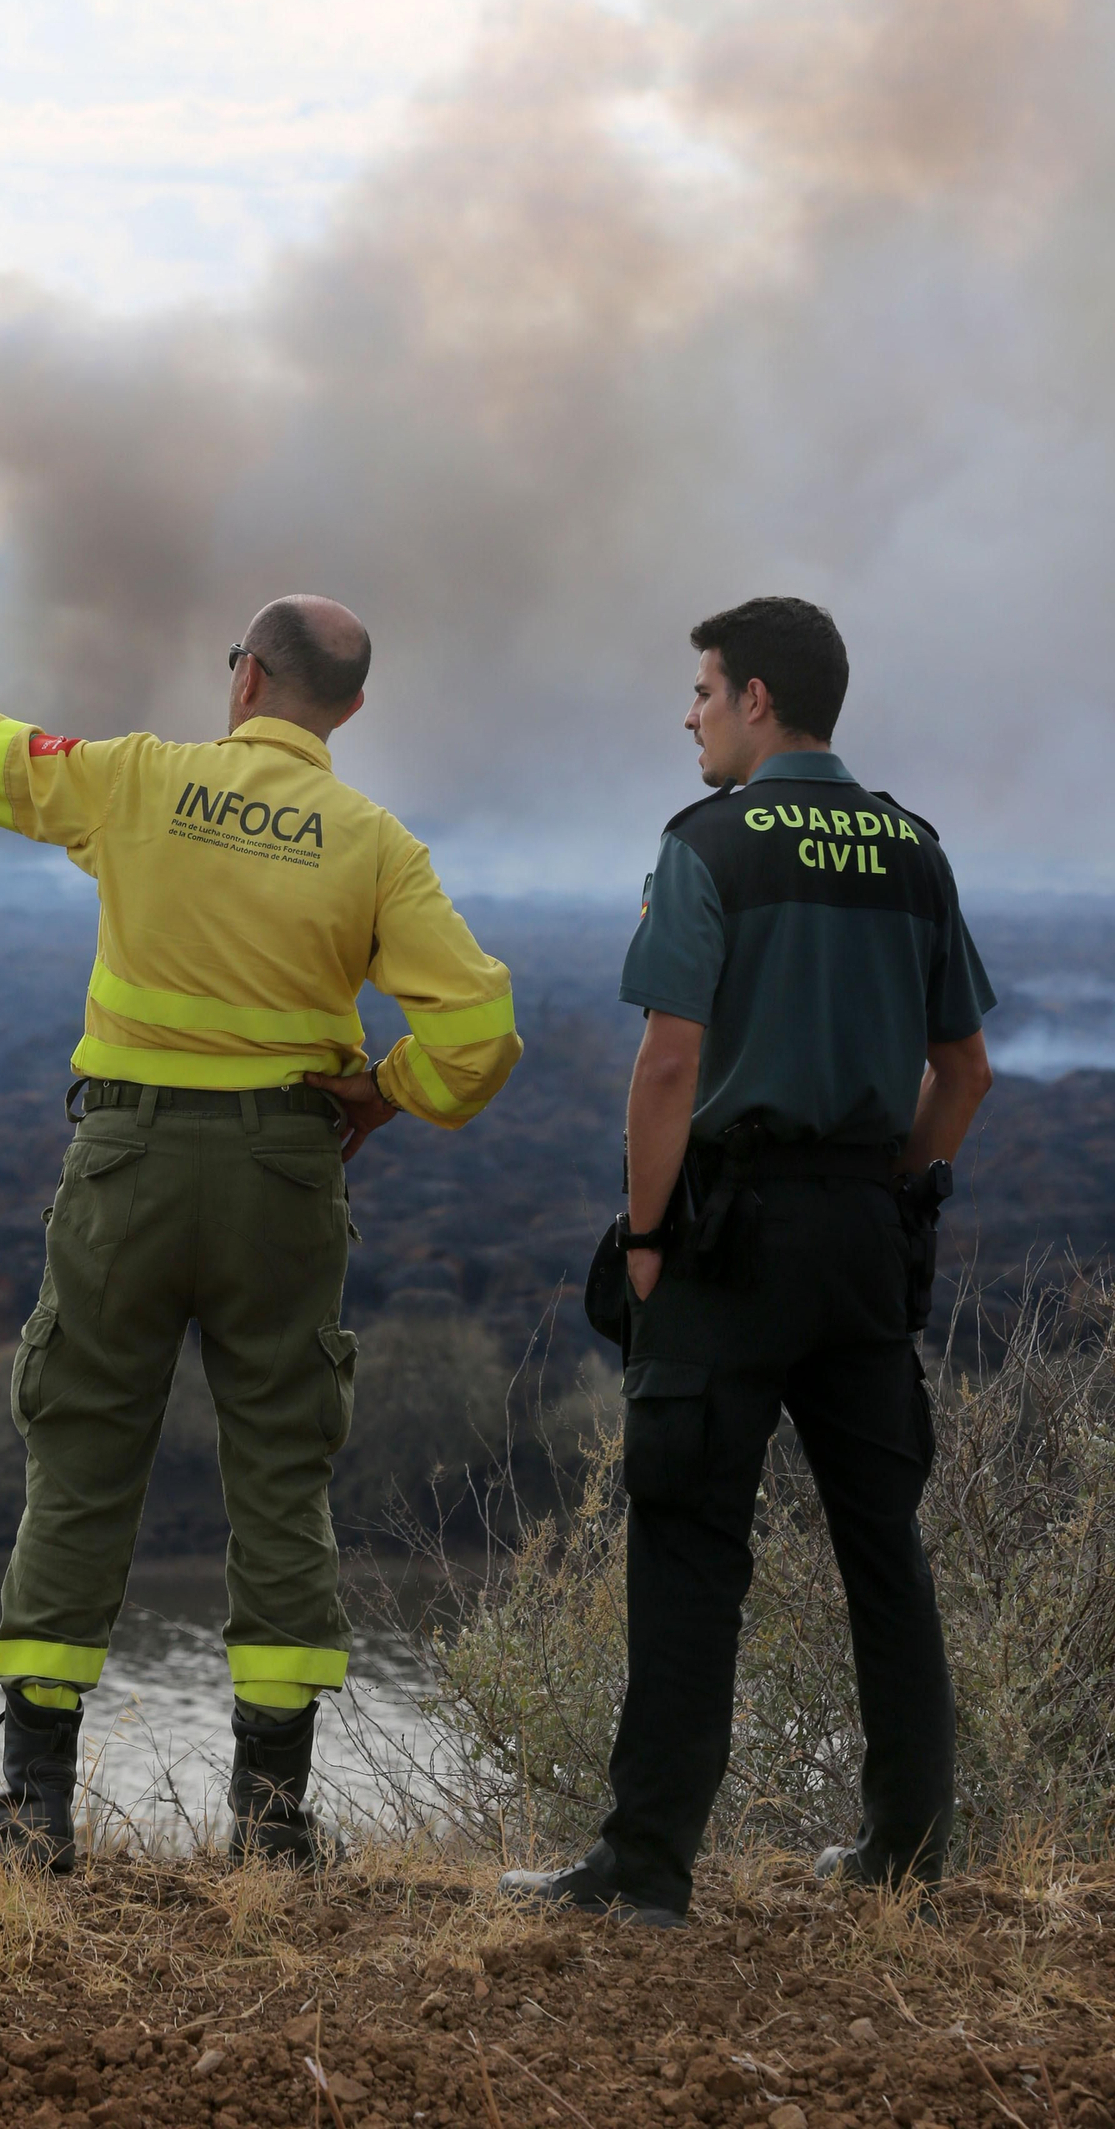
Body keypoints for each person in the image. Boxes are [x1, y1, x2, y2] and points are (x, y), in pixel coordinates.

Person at [0, 597, 521, 1870]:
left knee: (79, 1462)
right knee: (280, 1474)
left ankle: (33, 1808)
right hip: (285, 1179)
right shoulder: (375, 845)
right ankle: (271, 1826)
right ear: (347, 707)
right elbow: (479, 1032)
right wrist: (387, 1091)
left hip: (126, 1171)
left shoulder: (136, 781)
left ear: (246, 678)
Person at [500, 595, 993, 1927]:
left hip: (727, 1241)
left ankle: (646, 1871)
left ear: (757, 699)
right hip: (863, 1243)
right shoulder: (913, 849)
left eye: (704, 690)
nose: (691, 715)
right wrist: (893, 1195)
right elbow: (963, 1071)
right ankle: (905, 1850)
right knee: (883, 1545)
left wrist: (646, 1236)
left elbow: (669, 1064)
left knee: (688, 1544)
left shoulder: (708, 842)